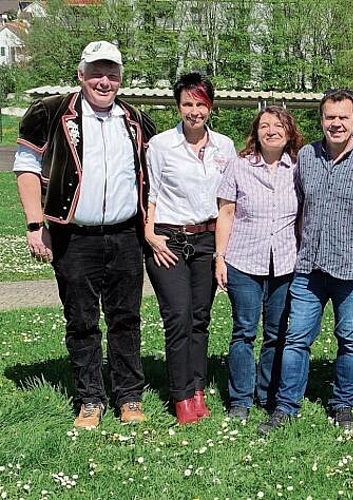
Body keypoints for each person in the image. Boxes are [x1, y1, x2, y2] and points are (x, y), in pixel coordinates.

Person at [14, 41, 156, 428]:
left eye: (112, 73)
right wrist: (34, 225)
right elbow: (26, 167)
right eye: (97, 72)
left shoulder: (137, 121)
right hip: (73, 236)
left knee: (126, 318)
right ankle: (90, 399)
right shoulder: (50, 112)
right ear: (81, 74)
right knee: (81, 319)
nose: (104, 81)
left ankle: (129, 396)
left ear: (121, 78)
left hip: (126, 235)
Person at [258, 89, 353, 435]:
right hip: (309, 268)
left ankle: (343, 405)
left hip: (352, 270)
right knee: (295, 339)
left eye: (343, 117)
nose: (336, 124)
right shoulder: (306, 156)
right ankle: (286, 407)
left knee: (349, 339)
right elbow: (300, 206)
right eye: (330, 117)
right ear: (321, 119)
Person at [144, 73, 237, 424]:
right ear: (178, 106)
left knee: (200, 318)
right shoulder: (161, 145)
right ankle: (181, 395)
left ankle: (198, 387)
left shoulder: (224, 147)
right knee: (178, 317)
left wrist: (221, 251)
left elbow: (228, 200)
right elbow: (149, 194)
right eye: (187, 104)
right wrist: (150, 235)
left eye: (200, 103)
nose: (194, 111)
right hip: (168, 239)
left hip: (206, 239)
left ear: (210, 106)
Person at [215, 106, 304, 422]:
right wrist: (220, 258)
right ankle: (240, 399)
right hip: (244, 261)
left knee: (278, 333)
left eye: (278, 126)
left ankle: (267, 393)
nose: (271, 131)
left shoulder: (298, 167)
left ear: (289, 132)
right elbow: (226, 213)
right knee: (243, 332)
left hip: (285, 263)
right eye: (264, 126)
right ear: (256, 132)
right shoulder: (239, 166)